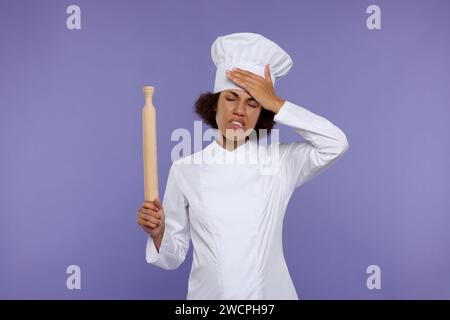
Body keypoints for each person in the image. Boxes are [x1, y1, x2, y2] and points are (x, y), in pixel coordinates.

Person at [137, 32, 349, 299]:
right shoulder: (185, 169)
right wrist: (158, 232)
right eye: (230, 98)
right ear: (214, 104)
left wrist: (276, 102)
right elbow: (172, 255)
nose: (240, 110)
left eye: (253, 103)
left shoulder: (279, 163)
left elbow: (336, 143)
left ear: (262, 114)